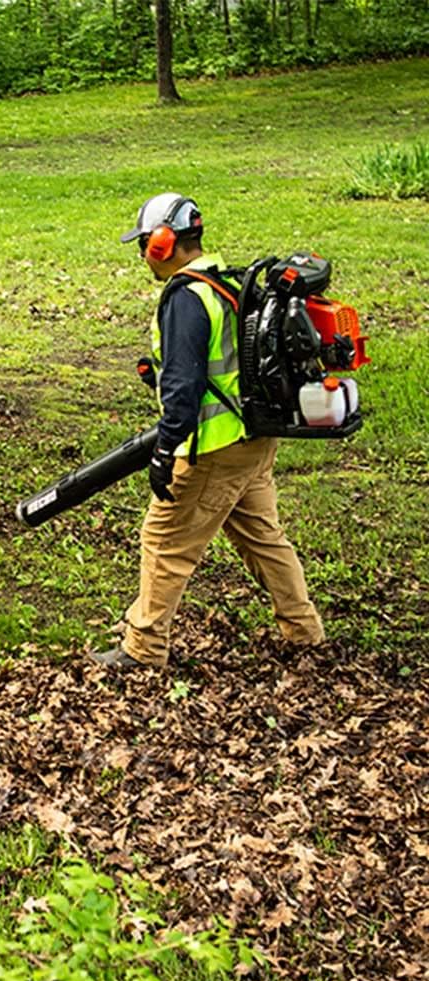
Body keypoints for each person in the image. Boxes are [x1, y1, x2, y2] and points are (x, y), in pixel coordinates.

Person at [93, 192, 325, 668]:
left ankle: (143, 648)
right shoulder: (226, 281)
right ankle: (304, 632)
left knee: (164, 543)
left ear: (163, 243)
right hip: (254, 439)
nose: (142, 254)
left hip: (213, 448)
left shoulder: (186, 297)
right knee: (263, 537)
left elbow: (186, 385)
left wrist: (165, 451)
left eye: (144, 243)